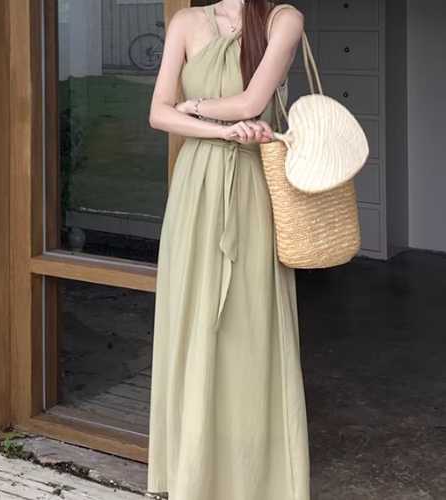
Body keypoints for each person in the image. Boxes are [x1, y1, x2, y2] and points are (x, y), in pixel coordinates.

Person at [145, 1, 309, 499]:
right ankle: (192, 473)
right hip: (195, 186)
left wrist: (191, 108)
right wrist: (216, 127)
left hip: (251, 186)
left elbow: (249, 103)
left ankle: (254, 478)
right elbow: (157, 113)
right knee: (193, 318)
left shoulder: (283, 20)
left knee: (248, 327)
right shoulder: (185, 22)